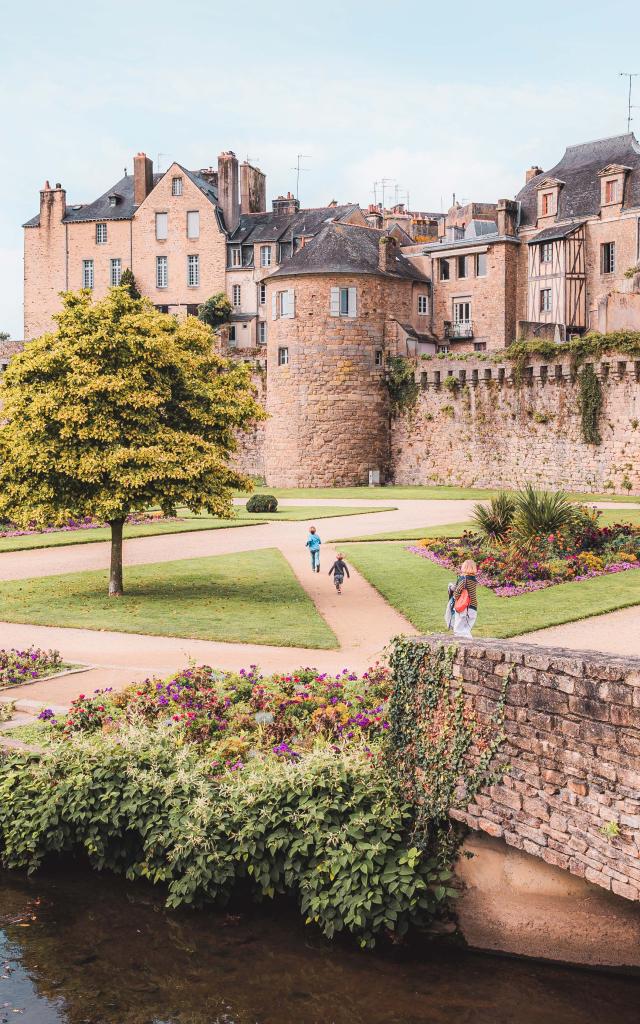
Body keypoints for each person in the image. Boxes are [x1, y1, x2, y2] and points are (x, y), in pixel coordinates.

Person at [451, 559, 478, 638]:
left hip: (464, 607)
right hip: (473, 607)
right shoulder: (474, 580)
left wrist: (452, 590)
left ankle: (461, 647)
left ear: (465, 567)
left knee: (458, 630)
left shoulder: (464, 579)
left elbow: (457, 592)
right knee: (466, 630)